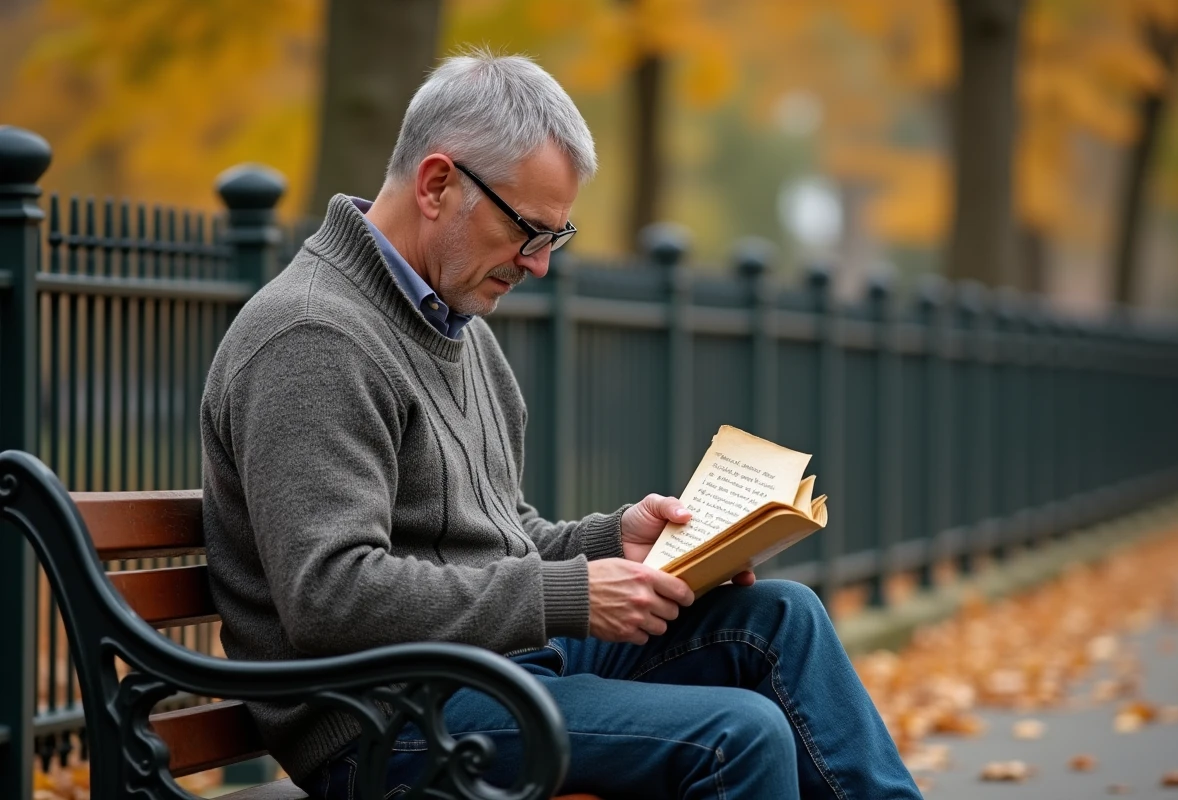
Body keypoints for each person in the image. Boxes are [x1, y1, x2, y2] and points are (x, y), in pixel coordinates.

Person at [200, 50, 921, 800]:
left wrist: (617, 543)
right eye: (528, 230)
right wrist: (568, 595)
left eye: (553, 237)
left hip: (494, 673)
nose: (538, 264)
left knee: (781, 618)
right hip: (387, 724)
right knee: (739, 735)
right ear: (438, 185)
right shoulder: (313, 338)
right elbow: (330, 596)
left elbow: (501, 539)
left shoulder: (457, 329)